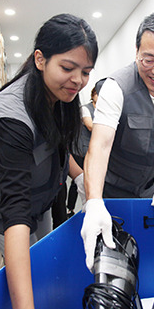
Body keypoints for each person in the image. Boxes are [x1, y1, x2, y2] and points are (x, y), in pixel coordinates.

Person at [0, 13, 98, 309]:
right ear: (40, 59)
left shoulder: (61, 95)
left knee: (45, 258)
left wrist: (82, 178)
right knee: (25, 268)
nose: (78, 80)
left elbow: (58, 147)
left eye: (86, 72)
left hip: (41, 196)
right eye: (68, 68)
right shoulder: (10, 114)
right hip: (8, 206)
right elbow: (14, 209)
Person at [81, 12, 154, 271]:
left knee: (150, 258)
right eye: (149, 59)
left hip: (149, 189)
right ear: (136, 52)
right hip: (112, 190)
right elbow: (100, 144)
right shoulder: (116, 87)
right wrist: (94, 200)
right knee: (112, 262)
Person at [66, 84, 99, 217]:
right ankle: (70, 208)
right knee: (78, 178)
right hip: (81, 150)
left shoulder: (103, 110)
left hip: (93, 150)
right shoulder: (85, 109)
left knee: (92, 177)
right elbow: (90, 126)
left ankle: (91, 202)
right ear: (93, 96)